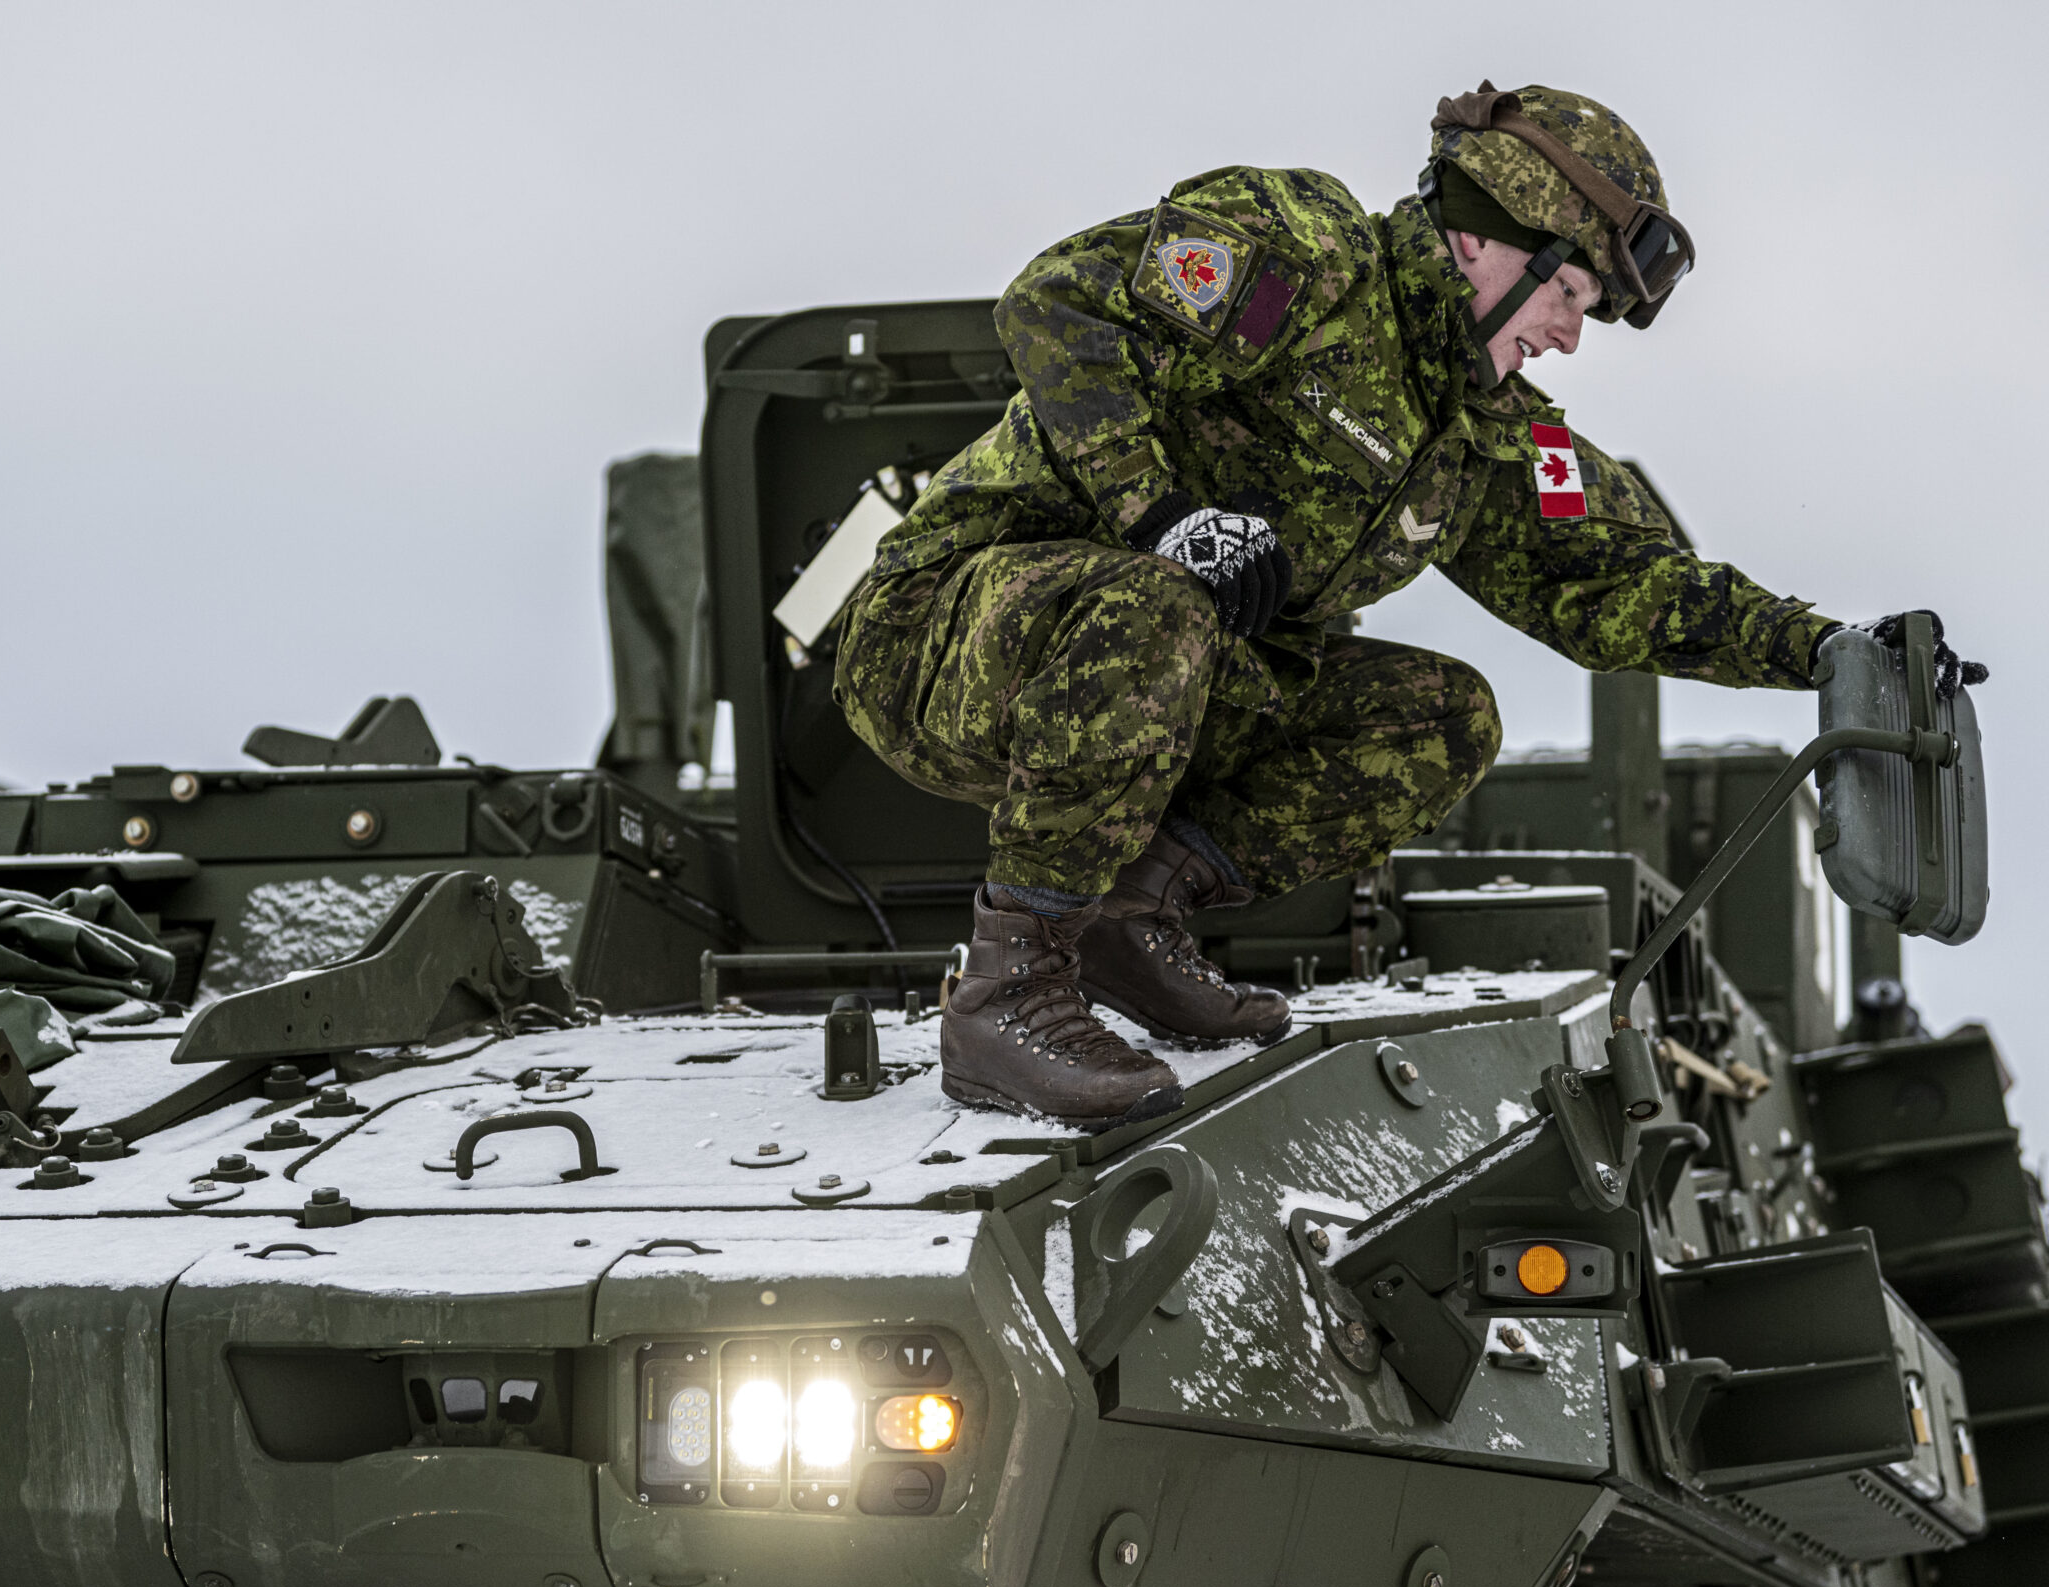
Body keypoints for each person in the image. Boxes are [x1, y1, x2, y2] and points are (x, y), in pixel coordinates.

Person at [833, 82, 1981, 1128]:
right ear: (1484, 235)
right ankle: (1006, 996)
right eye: (1568, 292)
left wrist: (1821, 648)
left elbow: (1614, 580)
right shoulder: (1308, 257)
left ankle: (1134, 917)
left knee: (1442, 717)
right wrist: (1159, 511)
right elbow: (1060, 302)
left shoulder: (1483, 433)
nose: (1568, 335)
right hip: (947, 639)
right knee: (1160, 604)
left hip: (1154, 689)